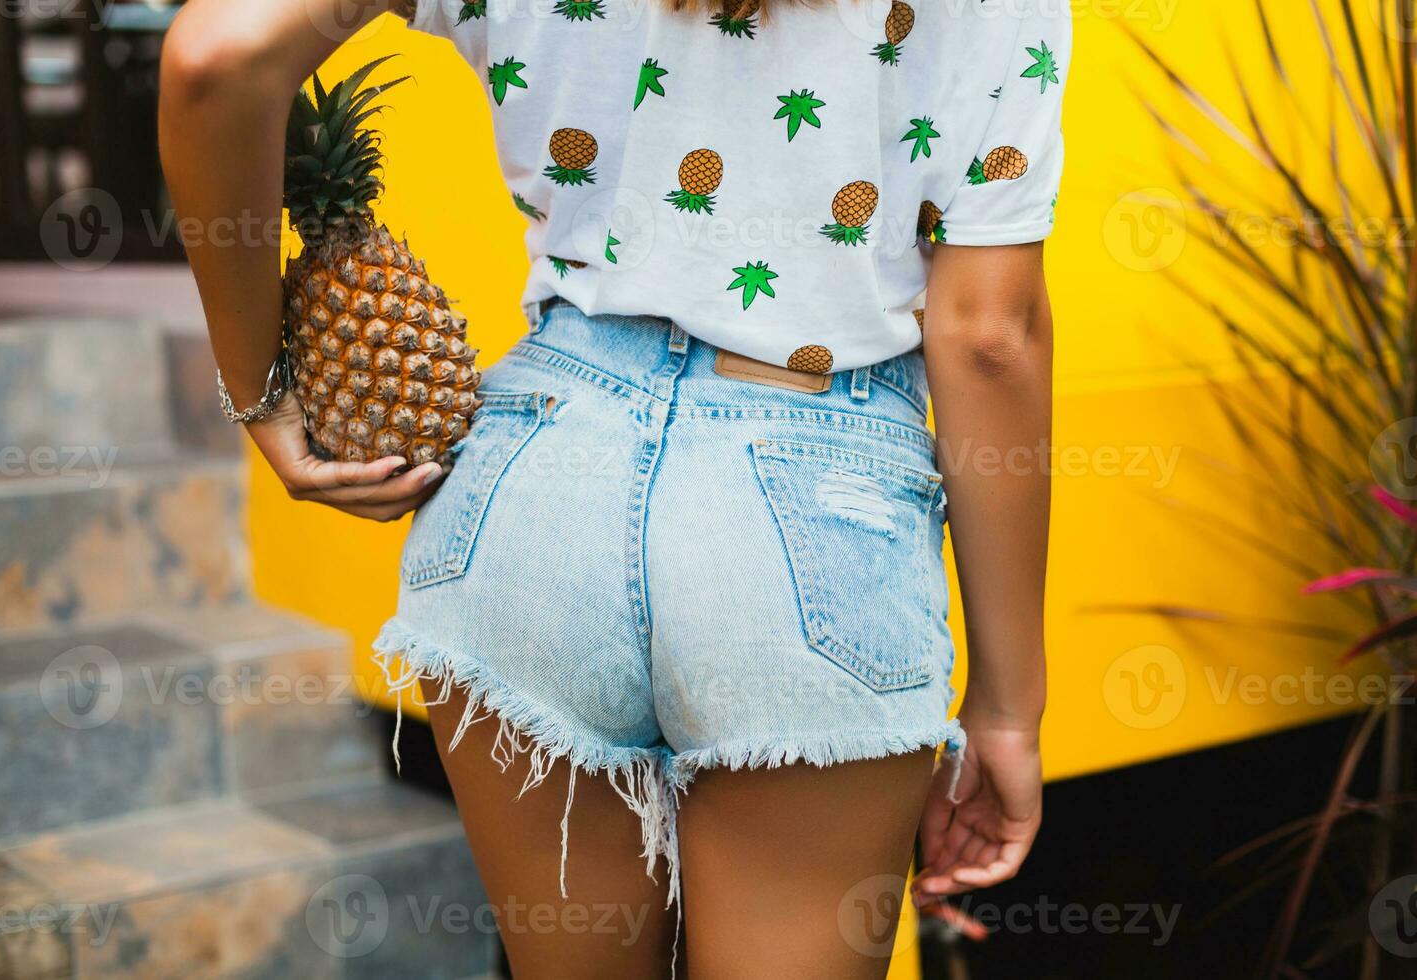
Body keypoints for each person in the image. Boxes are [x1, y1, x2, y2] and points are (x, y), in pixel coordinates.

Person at [159, 1, 1068, 976]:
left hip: (536, 497)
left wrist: (259, 388)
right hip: (811, 527)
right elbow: (987, 336)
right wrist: (1008, 709)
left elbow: (215, 56)